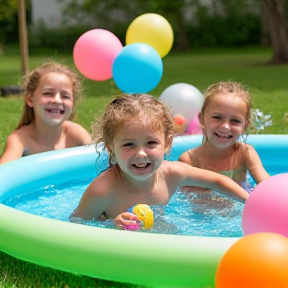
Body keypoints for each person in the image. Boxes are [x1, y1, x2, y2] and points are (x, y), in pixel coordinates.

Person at [71, 94, 249, 229]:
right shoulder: (103, 190)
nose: (141, 154)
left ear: (168, 142)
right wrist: (110, 225)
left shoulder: (172, 174)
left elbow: (217, 180)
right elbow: (76, 223)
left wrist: (249, 201)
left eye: (151, 143)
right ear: (111, 147)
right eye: (129, 145)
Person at [179, 81, 270, 192]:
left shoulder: (244, 154)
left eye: (235, 121)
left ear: (245, 125)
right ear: (201, 118)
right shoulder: (189, 161)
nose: (225, 127)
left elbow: (268, 186)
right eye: (217, 117)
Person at [0, 61, 91, 164]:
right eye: (48, 93)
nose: (57, 100)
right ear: (30, 99)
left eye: (65, 96)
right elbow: (4, 174)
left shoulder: (76, 134)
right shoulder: (20, 139)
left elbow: (102, 162)